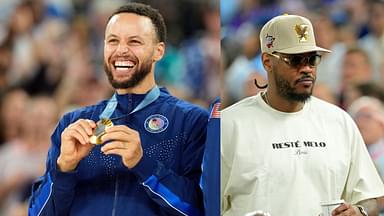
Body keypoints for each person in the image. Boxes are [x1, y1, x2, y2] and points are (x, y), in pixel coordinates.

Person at [28, 3, 208, 216]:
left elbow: (198, 209)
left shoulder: (191, 121)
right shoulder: (73, 124)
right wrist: (64, 168)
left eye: (134, 41)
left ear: (158, 51)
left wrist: (144, 165)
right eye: (113, 41)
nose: (121, 50)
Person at [221, 14, 384, 216]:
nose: (307, 69)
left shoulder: (339, 121)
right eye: (295, 60)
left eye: (312, 59)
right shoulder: (228, 125)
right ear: (267, 61)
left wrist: (359, 212)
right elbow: (206, 203)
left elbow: (369, 197)